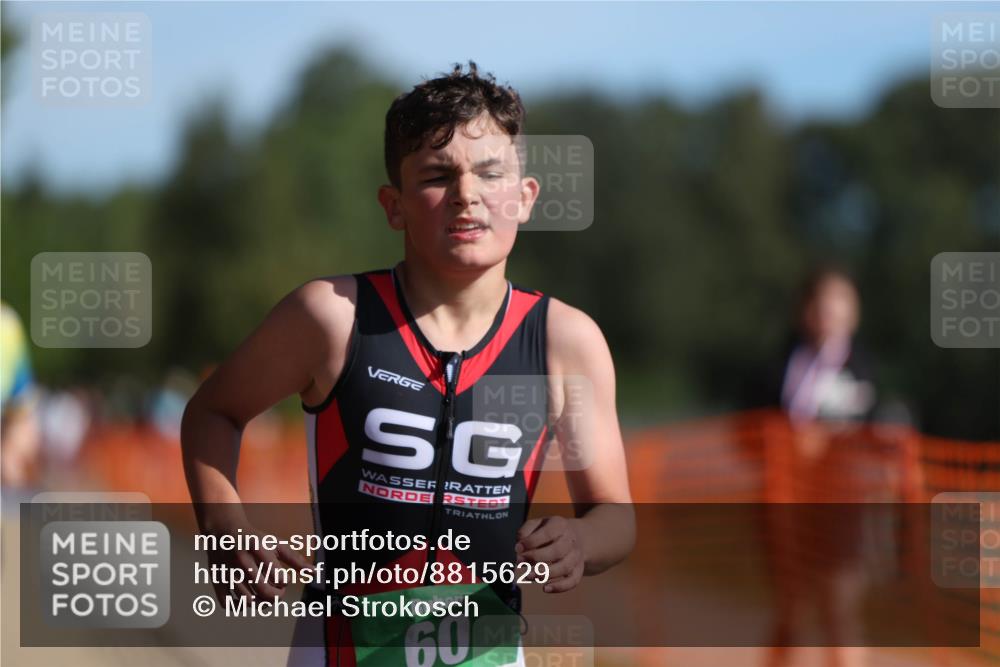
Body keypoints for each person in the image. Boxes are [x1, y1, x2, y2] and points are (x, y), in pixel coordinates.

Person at [181, 62, 635, 666]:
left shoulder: (564, 341)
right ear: (393, 206)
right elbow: (212, 411)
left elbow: (616, 516)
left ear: (525, 199)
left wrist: (580, 540)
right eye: (437, 175)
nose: (467, 194)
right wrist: (224, 527)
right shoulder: (332, 316)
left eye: (490, 172)